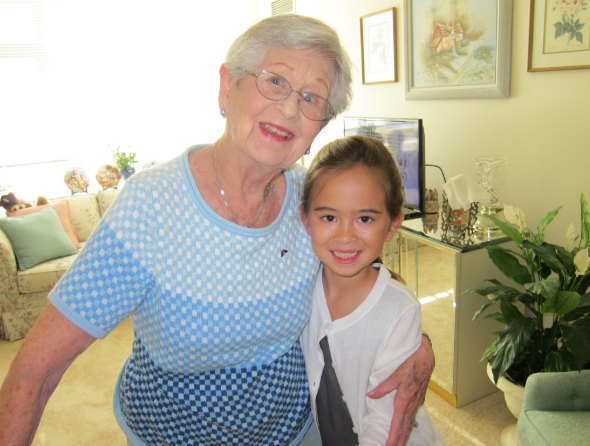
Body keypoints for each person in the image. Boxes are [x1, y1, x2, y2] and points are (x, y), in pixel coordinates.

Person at [0, 14, 434, 446]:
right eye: (275, 81)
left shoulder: (311, 199)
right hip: (171, 434)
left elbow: (362, 270)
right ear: (228, 87)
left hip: (297, 430)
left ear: (320, 125)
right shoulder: (151, 206)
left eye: (310, 98)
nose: (288, 108)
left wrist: (415, 339)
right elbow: (36, 370)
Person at [300, 135, 446, 445]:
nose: (345, 235)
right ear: (306, 220)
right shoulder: (302, 284)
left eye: (364, 218)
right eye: (329, 217)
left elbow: (385, 421)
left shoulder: (398, 310)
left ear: (393, 225)